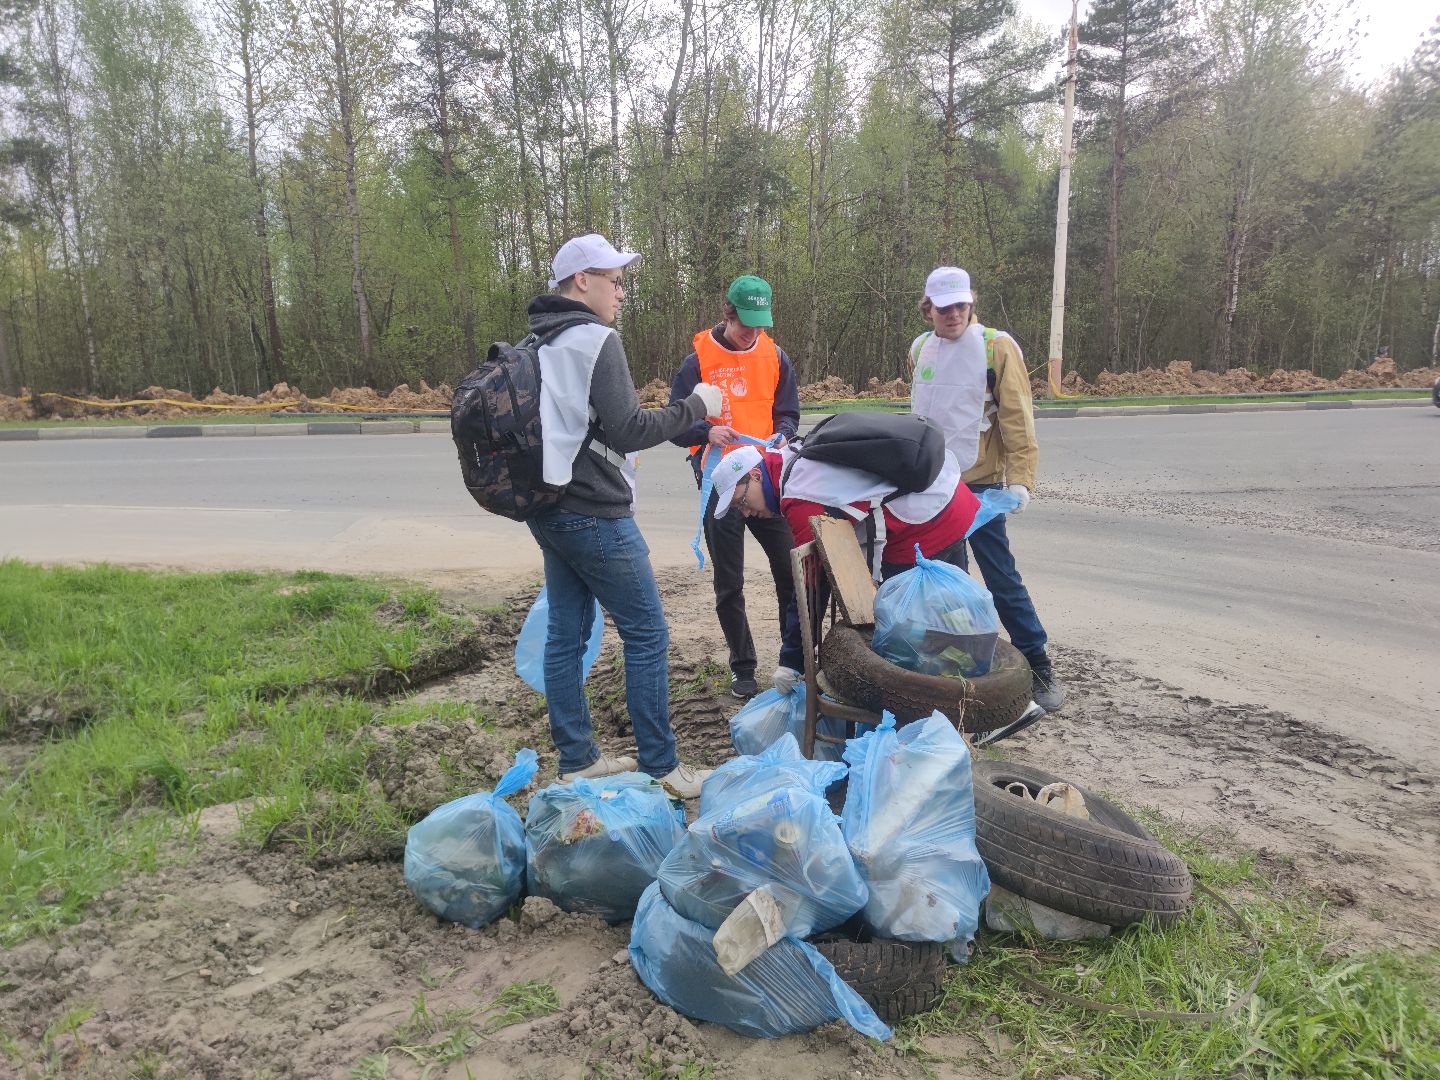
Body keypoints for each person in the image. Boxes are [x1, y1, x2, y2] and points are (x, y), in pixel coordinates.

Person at [525, 232, 725, 798]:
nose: (620, 292)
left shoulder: (539, 341)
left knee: (566, 634)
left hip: (551, 509)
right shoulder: (595, 340)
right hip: (596, 513)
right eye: (613, 280)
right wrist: (697, 407)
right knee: (646, 634)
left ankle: (577, 758)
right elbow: (629, 428)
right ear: (581, 282)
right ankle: (662, 767)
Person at [906, 265, 1065, 712]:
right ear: (928, 310)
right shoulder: (920, 349)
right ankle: (957, 666)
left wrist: (1021, 478)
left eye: (960, 305)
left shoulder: (997, 348)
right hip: (934, 487)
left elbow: (1017, 415)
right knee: (948, 585)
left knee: (1000, 577)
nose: (953, 315)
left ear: (971, 304)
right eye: (943, 308)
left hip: (980, 486)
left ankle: (1036, 662)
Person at [709, 439, 981, 688]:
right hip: (950, 494)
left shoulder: (799, 496)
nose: (745, 513)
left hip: (925, 518)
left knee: (901, 619)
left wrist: (790, 660)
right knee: (951, 611)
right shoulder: (793, 457)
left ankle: (937, 695)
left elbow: (812, 579)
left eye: (741, 502)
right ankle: (973, 681)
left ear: (756, 477)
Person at [668, 275, 802, 699]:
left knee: (790, 571)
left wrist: (783, 433)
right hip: (719, 484)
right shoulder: (697, 362)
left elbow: (789, 413)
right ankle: (743, 667)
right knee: (730, 580)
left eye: (761, 325)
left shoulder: (777, 357)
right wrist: (705, 433)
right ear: (728, 314)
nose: (754, 334)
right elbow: (674, 423)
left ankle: (793, 660)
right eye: (747, 325)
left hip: (765, 482)